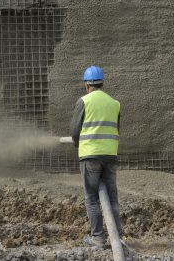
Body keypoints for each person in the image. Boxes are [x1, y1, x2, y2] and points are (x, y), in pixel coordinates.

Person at [70, 65, 123, 248]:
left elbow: (75, 130)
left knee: (92, 198)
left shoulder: (84, 101)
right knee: (112, 198)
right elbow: (116, 128)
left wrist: (79, 144)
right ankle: (119, 237)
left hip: (90, 156)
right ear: (102, 83)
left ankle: (98, 238)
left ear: (87, 84)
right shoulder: (114, 103)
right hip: (110, 155)